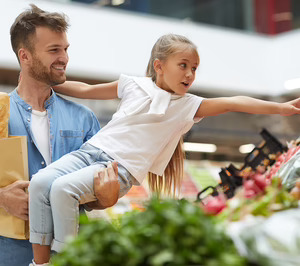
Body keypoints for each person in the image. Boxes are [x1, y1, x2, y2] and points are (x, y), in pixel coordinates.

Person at [28, 33, 300, 265]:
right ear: (159, 65)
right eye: (183, 65)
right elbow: (86, 90)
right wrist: (41, 79)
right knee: (39, 183)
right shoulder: (133, 84)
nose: (190, 74)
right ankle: (39, 262)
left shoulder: (189, 105)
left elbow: (233, 102)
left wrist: (281, 108)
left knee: (63, 190)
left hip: (116, 168)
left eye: (194, 68)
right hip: (89, 151)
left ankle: (64, 260)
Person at [0, 5, 119, 266]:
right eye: (54, 50)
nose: (64, 57)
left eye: (65, 49)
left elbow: (99, 189)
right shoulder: (0, 114)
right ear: (25, 56)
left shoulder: (84, 118)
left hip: (74, 255)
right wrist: (1, 198)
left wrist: (107, 198)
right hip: (11, 255)